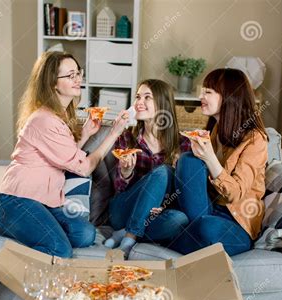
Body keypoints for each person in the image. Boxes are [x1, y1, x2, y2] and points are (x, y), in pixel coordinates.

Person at [0, 51, 129, 300]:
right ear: (53, 83)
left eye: (78, 73)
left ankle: (23, 235)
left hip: (41, 204)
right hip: (16, 202)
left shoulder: (56, 119)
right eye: (70, 75)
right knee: (58, 249)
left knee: (84, 234)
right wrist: (114, 134)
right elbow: (83, 167)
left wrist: (84, 135)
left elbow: (62, 157)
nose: (78, 79)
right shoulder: (44, 120)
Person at [170, 68, 268, 257]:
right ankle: (186, 234)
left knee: (206, 227)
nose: (201, 96)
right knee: (188, 161)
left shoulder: (256, 139)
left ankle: (177, 235)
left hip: (235, 225)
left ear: (229, 96)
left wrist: (210, 158)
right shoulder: (215, 130)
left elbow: (235, 194)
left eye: (208, 91)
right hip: (207, 210)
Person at [104, 79, 191, 257]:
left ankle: (126, 233)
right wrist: (126, 173)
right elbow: (118, 189)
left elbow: (184, 193)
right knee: (163, 172)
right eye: (137, 97)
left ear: (162, 103)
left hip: (152, 216)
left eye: (147, 97)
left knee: (179, 219)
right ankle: (128, 240)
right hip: (122, 210)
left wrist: (165, 207)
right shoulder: (127, 138)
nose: (139, 103)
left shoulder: (183, 144)